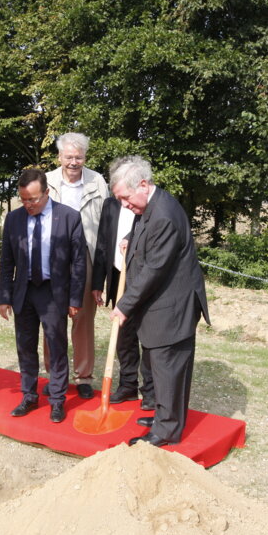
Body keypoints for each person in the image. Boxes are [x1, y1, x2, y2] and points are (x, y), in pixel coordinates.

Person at [109, 156, 210, 447]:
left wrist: (125, 305)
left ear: (143, 185)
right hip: (161, 302)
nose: (124, 205)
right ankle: (163, 415)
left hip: (173, 304)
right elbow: (143, 228)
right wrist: (131, 237)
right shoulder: (150, 205)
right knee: (159, 364)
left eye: (125, 198)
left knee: (168, 366)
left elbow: (154, 268)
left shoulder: (164, 213)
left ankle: (167, 429)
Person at [0, 168, 87, 423]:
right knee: (25, 347)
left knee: (57, 347)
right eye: (24, 199)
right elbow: (7, 261)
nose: (29, 204)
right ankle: (28, 395)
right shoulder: (14, 219)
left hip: (53, 292)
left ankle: (57, 401)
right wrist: (3, 296)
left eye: (34, 199)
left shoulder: (69, 217)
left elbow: (78, 263)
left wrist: (74, 299)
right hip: (23, 292)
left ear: (47, 192)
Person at [43, 132, 109, 399]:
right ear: (59, 157)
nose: (73, 162)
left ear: (85, 157)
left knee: (83, 319)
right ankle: (54, 374)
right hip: (53, 258)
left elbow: (106, 224)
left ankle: (83, 376)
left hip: (87, 255)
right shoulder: (46, 181)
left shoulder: (97, 181)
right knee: (52, 318)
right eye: (69, 156)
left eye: (78, 157)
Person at [91, 193, 155, 410]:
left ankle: (150, 392)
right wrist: (97, 282)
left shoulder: (148, 205)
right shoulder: (110, 204)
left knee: (146, 334)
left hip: (143, 277)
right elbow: (102, 243)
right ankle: (128, 385)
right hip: (119, 275)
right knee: (123, 335)